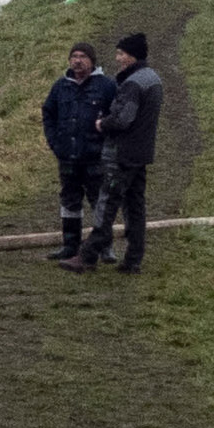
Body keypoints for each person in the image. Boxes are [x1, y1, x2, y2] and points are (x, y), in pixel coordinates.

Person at [80, 31, 165, 272]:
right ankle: (133, 260)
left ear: (132, 56)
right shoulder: (153, 78)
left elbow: (123, 119)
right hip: (141, 153)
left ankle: (87, 255)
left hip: (122, 154)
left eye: (121, 54)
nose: (117, 58)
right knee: (136, 208)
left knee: (107, 205)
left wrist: (102, 123)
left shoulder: (133, 83)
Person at [36, 41, 103, 265]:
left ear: (92, 61)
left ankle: (104, 246)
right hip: (68, 157)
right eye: (74, 56)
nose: (77, 60)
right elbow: (48, 113)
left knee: (99, 201)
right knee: (69, 200)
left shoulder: (106, 86)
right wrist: (55, 143)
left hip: (95, 157)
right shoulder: (60, 87)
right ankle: (69, 245)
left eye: (83, 56)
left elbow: (116, 119)